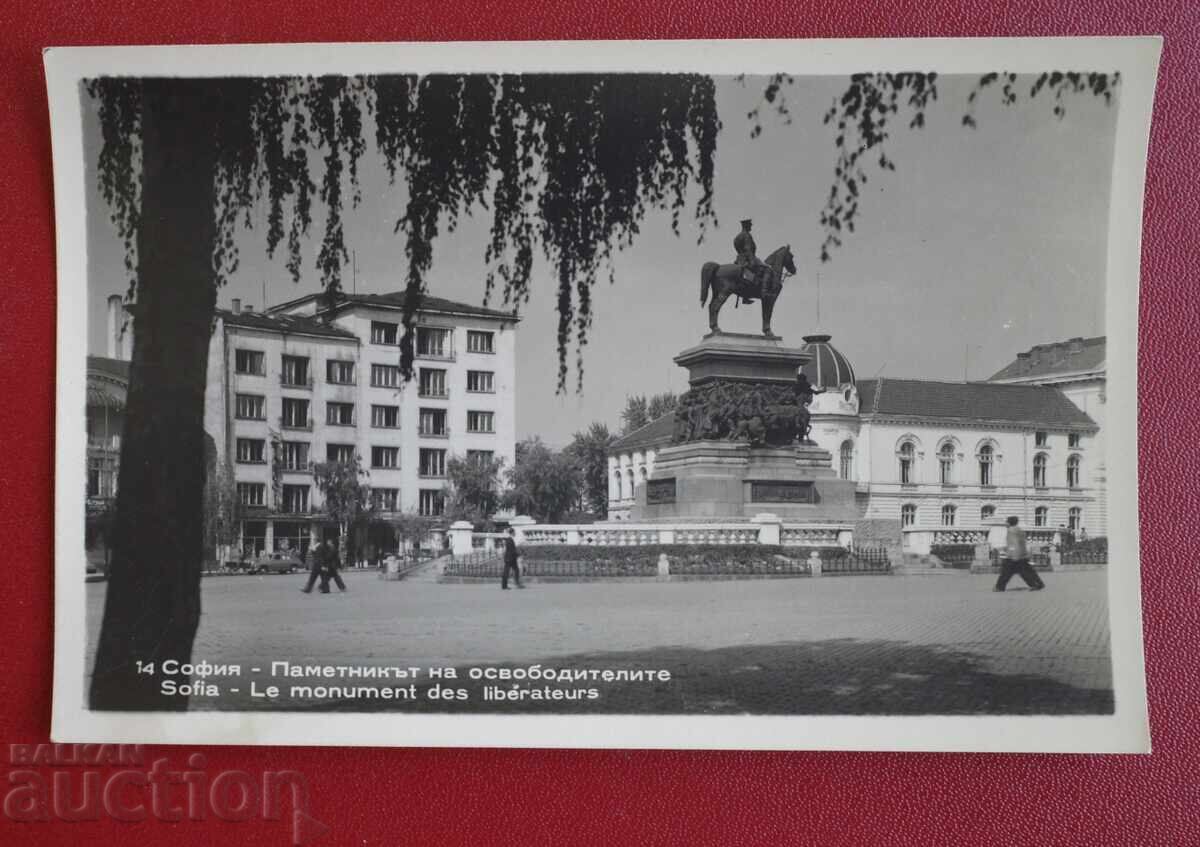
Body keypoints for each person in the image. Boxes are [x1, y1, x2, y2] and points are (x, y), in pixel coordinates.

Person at [993, 516, 1046, 592]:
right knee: (1027, 571)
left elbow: (1014, 543)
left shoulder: (1011, 530)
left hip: (1014, 555)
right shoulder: (1019, 530)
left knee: (1006, 572)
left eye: (1007, 522)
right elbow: (1021, 542)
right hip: (1022, 553)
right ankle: (1038, 583)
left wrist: (1011, 553)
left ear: (1009, 522)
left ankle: (999, 587)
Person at [733, 218, 767, 302]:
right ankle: (761, 292)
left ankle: (746, 295)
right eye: (750, 225)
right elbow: (748, 250)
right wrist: (752, 261)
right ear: (746, 225)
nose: (751, 226)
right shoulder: (747, 235)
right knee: (764, 270)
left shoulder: (737, 237)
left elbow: (737, 248)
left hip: (739, 259)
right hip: (747, 259)